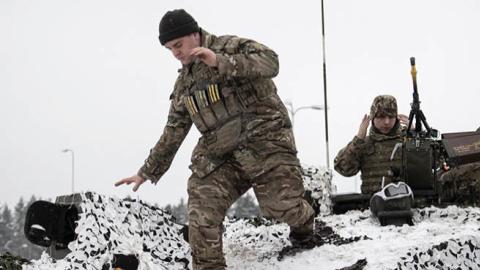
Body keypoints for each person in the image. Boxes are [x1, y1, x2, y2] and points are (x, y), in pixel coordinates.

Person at [114, 9, 315, 270]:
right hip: (222, 155)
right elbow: (174, 130)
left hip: (265, 142)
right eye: (169, 49)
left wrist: (220, 61)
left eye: (178, 45)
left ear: (195, 34)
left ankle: (305, 221)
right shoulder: (185, 85)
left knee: (281, 207)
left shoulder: (229, 46)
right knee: (201, 209)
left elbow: (271, 62)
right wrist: (146, 171)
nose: (176, 53)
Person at [334, 95, 408, 195]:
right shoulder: (363, 144)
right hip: (372, 205)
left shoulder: (406, 142)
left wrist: (417, 138)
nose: (387, 122)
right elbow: (344, 169)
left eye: (391, 117)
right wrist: (358, 140)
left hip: (406, 204)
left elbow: (431, 167)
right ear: (372, 118)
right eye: (381, 117)